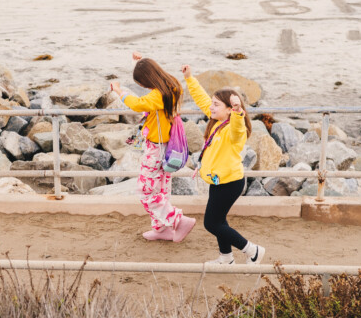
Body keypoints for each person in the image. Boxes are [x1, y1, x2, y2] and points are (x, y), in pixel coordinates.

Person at [182, 64, 266, 265]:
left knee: (211, 223)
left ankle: (252, 251)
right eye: (213, 103)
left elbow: (238, 129)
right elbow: (202, 99)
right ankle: (226, 257)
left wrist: (238, 111)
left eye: (216, 104)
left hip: (230, 183)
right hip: (218, 180)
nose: (211, 107)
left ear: (229, 110)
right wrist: (189, 78)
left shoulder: (234, 131)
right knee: (219, 221)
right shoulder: (217, 121)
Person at [110, 52, 196, 242]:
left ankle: (177, 220)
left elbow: (138, 104)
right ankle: (161, 229)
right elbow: (150, 74)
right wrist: (138, 62)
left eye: (143, 84)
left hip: (156, 149)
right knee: (161, 190)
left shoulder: (157, 95)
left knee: (145, 190)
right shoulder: (172, 85)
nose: (143, 87)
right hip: (167, 147)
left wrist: (118, 90)